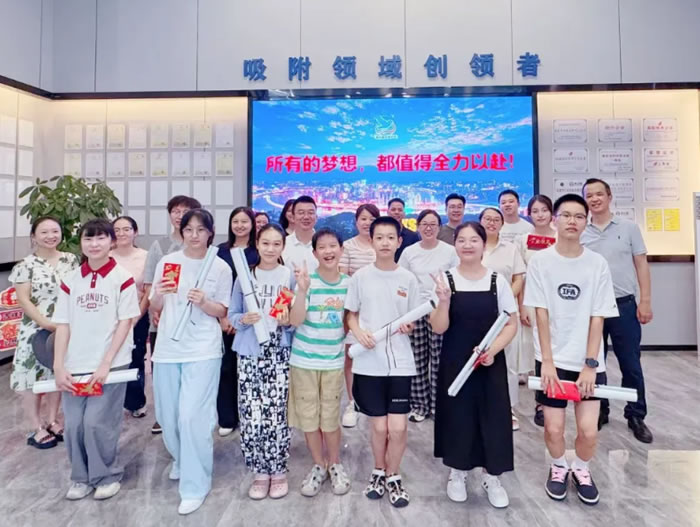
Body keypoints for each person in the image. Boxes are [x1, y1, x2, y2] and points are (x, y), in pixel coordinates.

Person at [523, 194, 618, 506]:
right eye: (566, 215)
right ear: (555, 220)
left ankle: (581, 468)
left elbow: (598, 316)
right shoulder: (541, 262)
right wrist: (547, 362)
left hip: (588, 362)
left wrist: (590, 364)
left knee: (588, 432)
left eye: (579, 216)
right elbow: (540, 314)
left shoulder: (596, 264)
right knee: (554, 429)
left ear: (586, 222)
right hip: (552, 360)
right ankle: (559, 466)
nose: (572, 221)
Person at [149, 209, 232, 515]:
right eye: (189, 229)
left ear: (210, 232)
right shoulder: (168, 262)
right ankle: (182, 458)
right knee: (169, 416)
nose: (194, 235)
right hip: (168, 348)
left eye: (201, 229)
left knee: (192, 416)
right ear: (181, 232)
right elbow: (155, 306)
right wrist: (159, 295)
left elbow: (222, 310)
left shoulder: (219, 266)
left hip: (203, 349)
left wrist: (205, 302)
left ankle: (195, 485)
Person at [430, 221, 518, 508]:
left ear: (483, 245)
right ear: (455, 245)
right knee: (459, 415)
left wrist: (492, 351)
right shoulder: (445, 280)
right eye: (462, 240)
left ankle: (492, 477)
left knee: (493, 417)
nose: (467, 245)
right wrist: (443, 302)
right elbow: (438, 328)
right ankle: (457, 472)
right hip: (456, 361)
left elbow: (511, 324)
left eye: (474, 240)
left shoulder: (497, 281)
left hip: (490, 361)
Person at [52, 219, 140, 501]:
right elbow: (63, 324)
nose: (94, 244)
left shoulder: (122, 278)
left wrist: (106, 363)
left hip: (111, 364)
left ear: (112, 242)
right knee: (74, 425)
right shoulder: (70, 280)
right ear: (81, 243)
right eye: (88, 239)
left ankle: (106, 475)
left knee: (96, 423)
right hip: (74, 364)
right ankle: (80, 477)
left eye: (101, 238)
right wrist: (58, 365)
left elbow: (125, 323)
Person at [345, 216, 421, 508]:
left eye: (391, 237)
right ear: (372, 241)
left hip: (400, 362)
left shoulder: (408, 279)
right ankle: (378, 470)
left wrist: (409, 327)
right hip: (369, 362)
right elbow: (350, 314)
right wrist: (358, 331)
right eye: (380, 237)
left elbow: (413, 318)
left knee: (398, 428)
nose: (385, 242)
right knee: (378, 428)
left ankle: (394, 475)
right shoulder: (360, 277)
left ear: (399, 242)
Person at [581, 178, 653, 443]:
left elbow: (641, 265)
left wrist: (645, 301)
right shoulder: (581, 230)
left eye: (599, 194)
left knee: (630, 364)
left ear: (609, 196)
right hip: (590, 310)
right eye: (589, 195)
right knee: (593, 363)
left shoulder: (629, 228)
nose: (594, 199)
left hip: (624, 305)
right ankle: (599, 410)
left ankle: (636, 415)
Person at [229, 224, 296, 500]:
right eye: (265, 243)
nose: (270, 249)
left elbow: (296, 319)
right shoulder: (245, 276)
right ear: (257, 244)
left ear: (283, 247)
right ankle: (259, 471)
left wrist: (287, 322)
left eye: (276, 244)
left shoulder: (289, 276)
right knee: (251, 413)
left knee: (277, 412)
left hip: (278, 352)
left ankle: (278, 469)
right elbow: (232, 315)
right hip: (249, 352)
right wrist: (243, 320)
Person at [288, 228, 352, 498]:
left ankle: (334, 463)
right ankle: (319, 465)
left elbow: (351, 320)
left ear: (341, 250)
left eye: (333, 246)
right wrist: (302, 291)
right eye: (322, 247)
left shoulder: (349, 284)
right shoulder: (306, 281)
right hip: (303, 360)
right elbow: (294, 320)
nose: (328, 251)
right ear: (314, 253)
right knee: (309, 417)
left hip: (333, 361)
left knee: (330, 417)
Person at [10, 216, 79, 449]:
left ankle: (52, 420)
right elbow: (24, 300)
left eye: (55, 231)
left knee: (56, 373)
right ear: (34, 236)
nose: (51, 236)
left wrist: (65, 326)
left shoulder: (71, 260)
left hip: (66, 328)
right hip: (34, 329)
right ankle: (36, 427)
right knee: (31, 377)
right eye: (44, 232)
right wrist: (48, 324)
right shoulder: (25, 265)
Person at [142, 195, 201, 434]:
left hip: (194, 322)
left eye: (185, 211)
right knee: (163, 374)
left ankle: (188, 416)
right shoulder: (161, 246)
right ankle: (163, 416)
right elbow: (150, 284)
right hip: (163, 322)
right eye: (175, 211)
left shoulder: (204, 248)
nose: (180, 215)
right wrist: (156, 309)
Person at [398, 209, 458, 422]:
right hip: (415, 310)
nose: (429, 228)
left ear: (439, 227)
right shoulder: (409, 252)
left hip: (440, 309)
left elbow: (456, 279)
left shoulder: (450, 251)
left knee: (440, 359)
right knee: (418, 359)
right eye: (424, 224)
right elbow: (402, 281)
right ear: (417, 227)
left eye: (433, 224)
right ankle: (420, 405)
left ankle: (439, 405)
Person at [480, 207, 526, 431]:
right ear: (480, 221)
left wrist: (505, 299)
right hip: (477, 312)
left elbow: (518, 279)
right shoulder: (473, 245)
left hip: (506, 314)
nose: (491, 222)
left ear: (501, 224)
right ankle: (482, 407)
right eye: (487, 219)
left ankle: (508, 408)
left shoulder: (511, 249)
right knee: (479, 359)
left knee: (508, 363)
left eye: (496, 219)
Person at [215, 207, 259, 437]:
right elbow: (214, 286)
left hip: (251, 320)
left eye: (245, 221)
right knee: (225, 369)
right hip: (223, 319)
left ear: (252, 224)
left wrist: (243, 318)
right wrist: (224, 317)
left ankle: (249, 415)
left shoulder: (258, 251)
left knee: (248, 369)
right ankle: (227, 417)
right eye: (236, 221)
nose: (240, 226)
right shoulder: (219, 251)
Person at [514, 195, 557, 427]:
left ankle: (548, 400)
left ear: (551, 213)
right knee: (533, 352)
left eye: (544, 210)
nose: (540, 215)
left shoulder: (560, 237)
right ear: (529, 214)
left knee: (551, 352)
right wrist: (522, 305)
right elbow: (519, 276)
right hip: (531, 301)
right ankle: (539, 402)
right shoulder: (523, 240)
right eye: (535, 211)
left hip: (556, 303)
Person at [338, 203, 379, 428]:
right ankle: (353, 403)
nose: (367, 223)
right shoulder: (348, 246)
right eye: (363, 218)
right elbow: (344, 279)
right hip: (354, 310)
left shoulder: (382, 243)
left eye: (372, 219)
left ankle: (374, 401)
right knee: (352, 356)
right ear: (356, 222)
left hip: (380, 310)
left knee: (377, 355)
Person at [111, 216, 149, 419]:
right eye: (117, 230)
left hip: (137, 316)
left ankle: (136, 402)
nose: (121, 233)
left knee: (135, 358)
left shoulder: (146, 256)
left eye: (126, 229)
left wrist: (136, 317)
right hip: (109, 318)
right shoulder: (105, 256)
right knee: (110, 359)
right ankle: (111, 402)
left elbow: (148, 290)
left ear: (135, 232)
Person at [282, 195, 318, 273]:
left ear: (316, 217)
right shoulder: (283, 245)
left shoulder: (325, 245)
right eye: (301, 213)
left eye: (311, 213)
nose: (306, 217)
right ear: (293, 217)